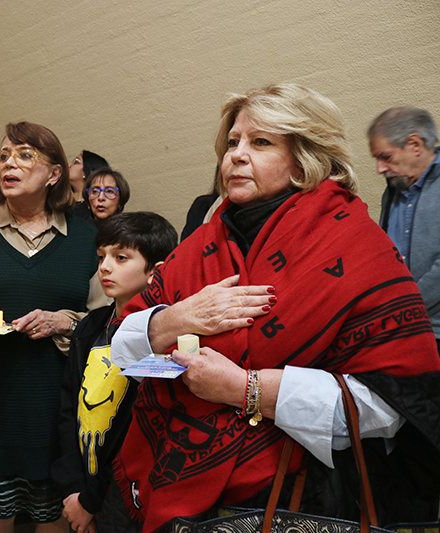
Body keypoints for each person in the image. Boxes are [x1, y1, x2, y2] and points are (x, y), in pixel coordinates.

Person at [109, 84, 440, 532]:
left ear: (306, 158)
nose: (237, 156)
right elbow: (123, 351)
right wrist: (179, 317)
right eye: (232, 142)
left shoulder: (355, 243)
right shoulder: (201, 244)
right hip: (180, 487)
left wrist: (243, 388)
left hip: (303, 498)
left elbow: (391, 402)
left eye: (260, 142)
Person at [0, 121, 109, 533]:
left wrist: (63, 320)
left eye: (24, 155)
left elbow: (107, 319)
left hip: (59, 403)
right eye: (3, 155)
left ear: (54, 173)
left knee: (52, 517)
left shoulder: (86, 237)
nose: (9, 164)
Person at [53, 212, 177, 533]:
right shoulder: (91, 326)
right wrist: (73, 487)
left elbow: (135, 427)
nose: (105, 267)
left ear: (156, 271)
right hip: (83, 483)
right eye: (101, 256)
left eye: (121, 257)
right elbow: (69, 406)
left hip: (126, 492)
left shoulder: (162, 337)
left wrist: (90, 501)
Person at [367, 106, 440, 353]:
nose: (380, 168)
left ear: (415, 144)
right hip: (404, 326)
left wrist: (404, 308)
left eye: (385, 157)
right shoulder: (394, 189)